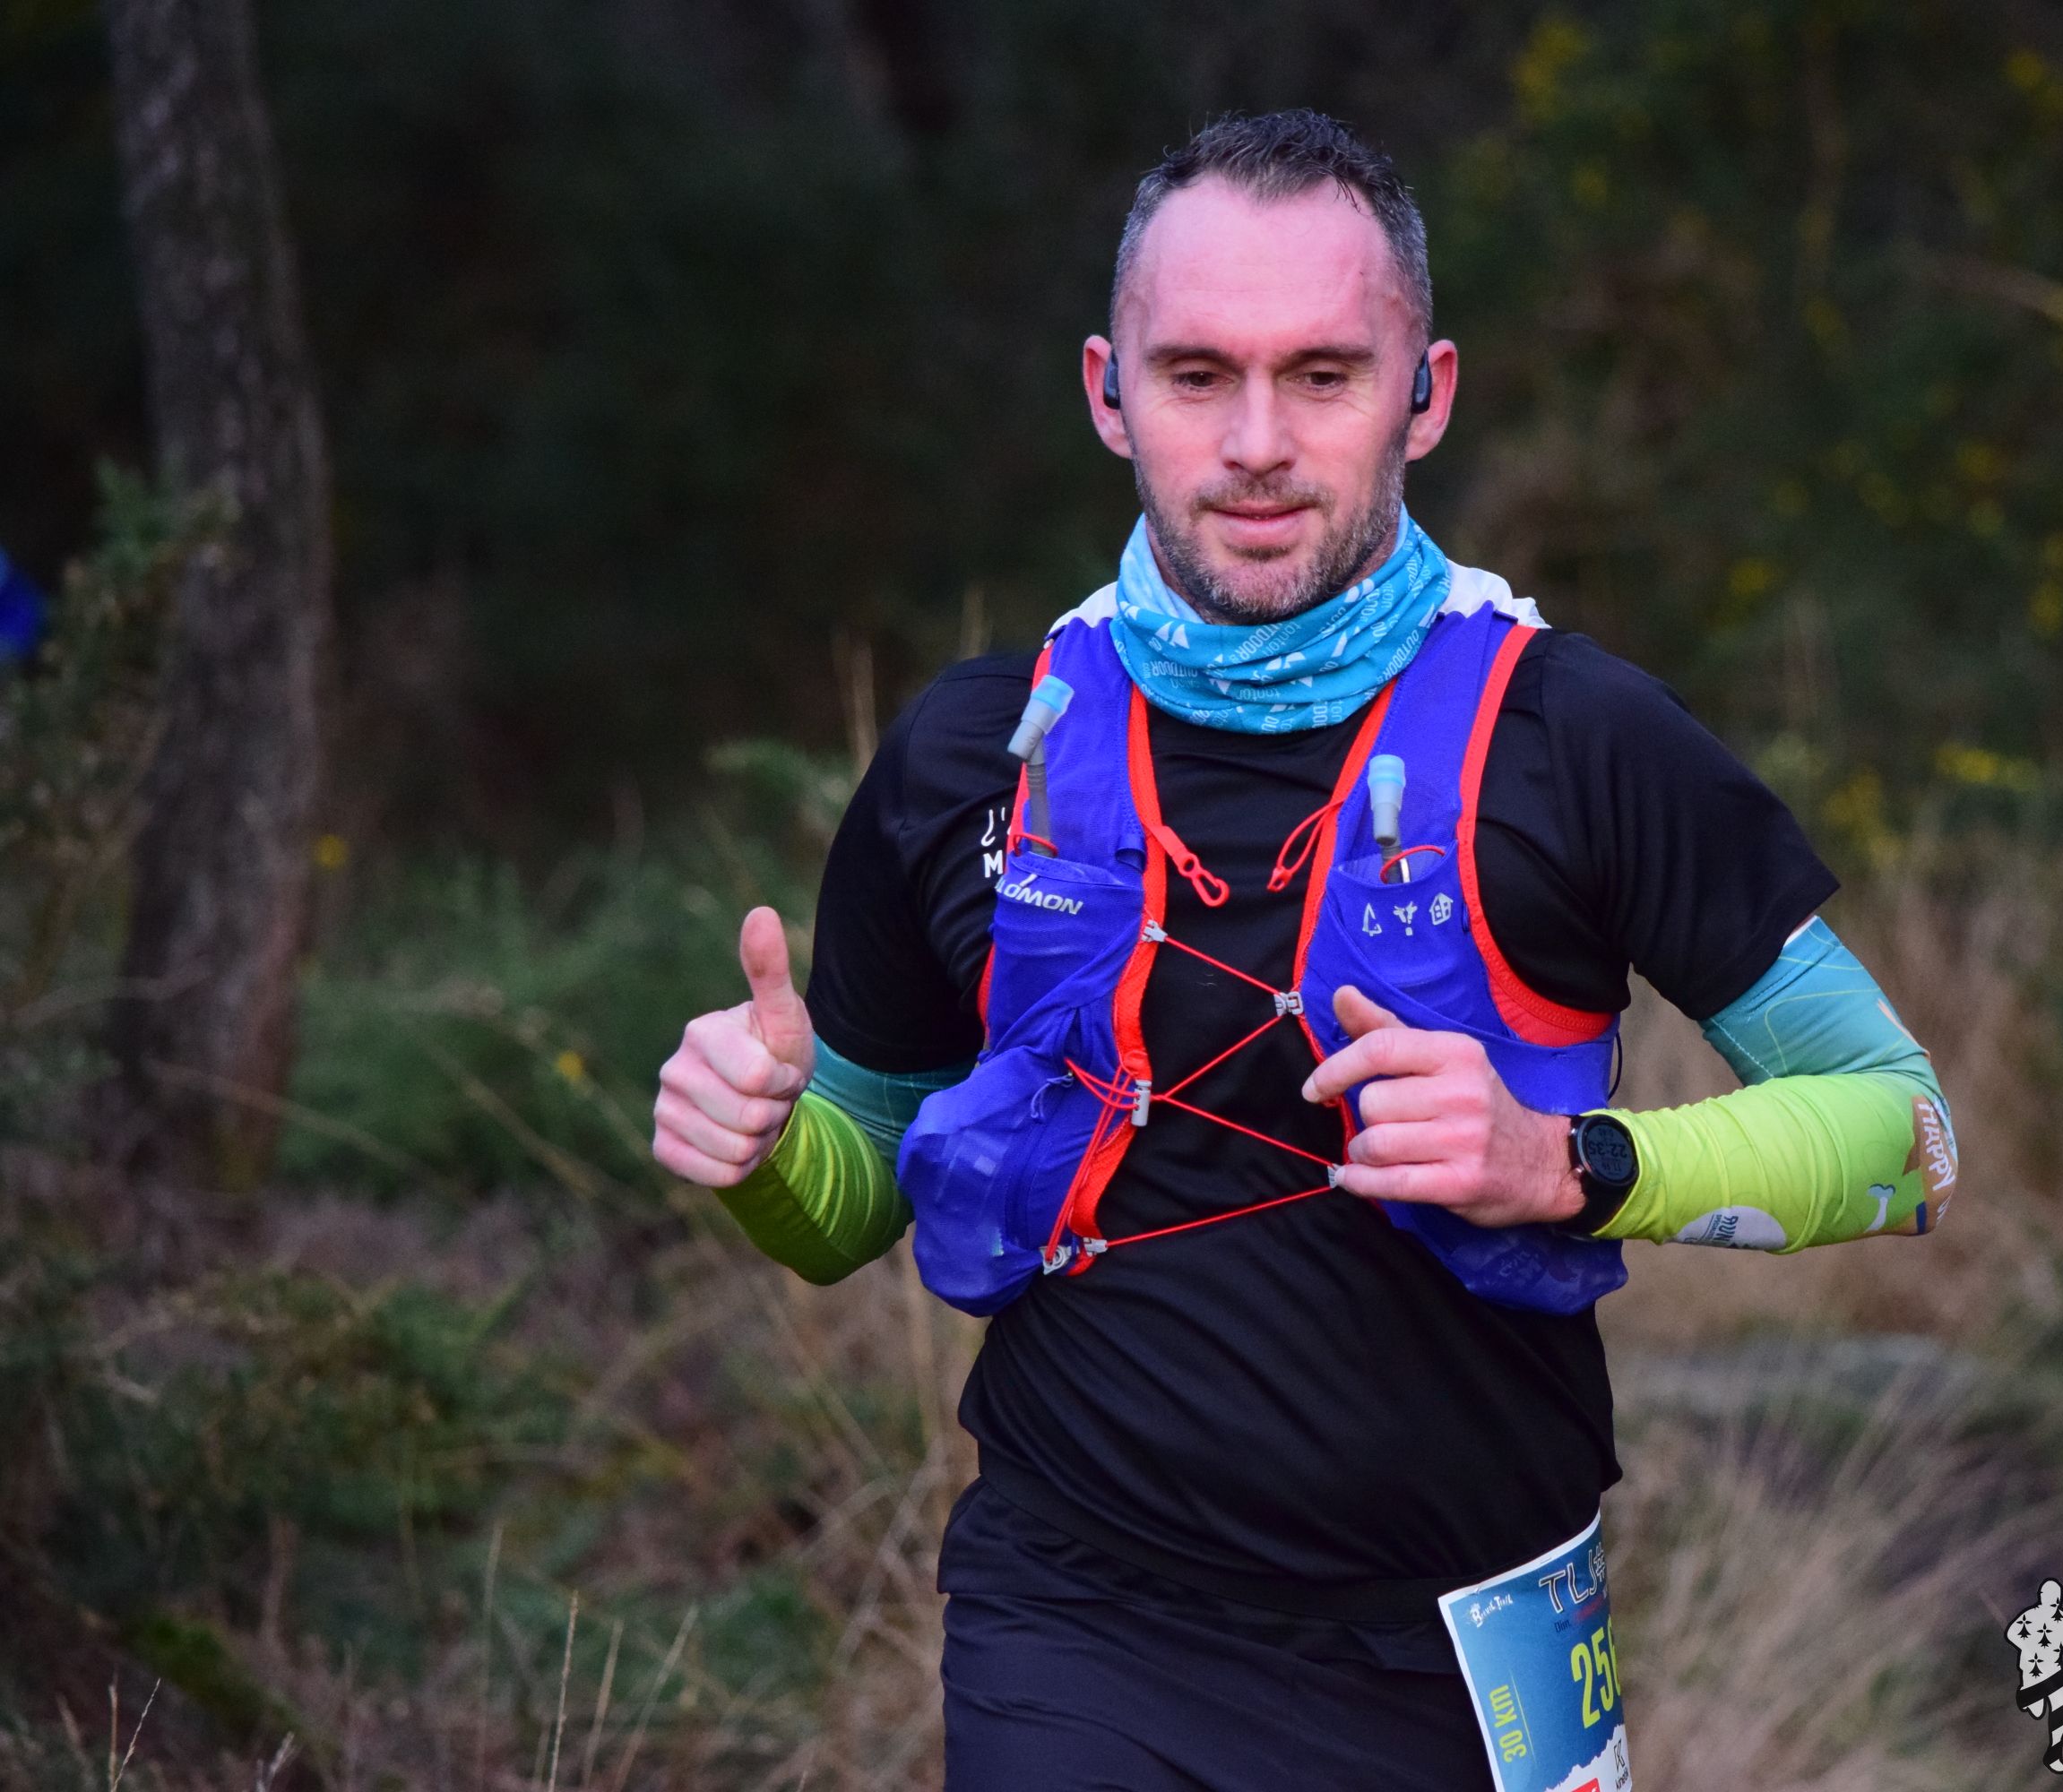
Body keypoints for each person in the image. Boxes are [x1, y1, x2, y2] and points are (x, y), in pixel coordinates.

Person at [652, 108, 1959, 1792]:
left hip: (1471, 1649)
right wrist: (763, 1148)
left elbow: (1908, 1132)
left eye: (1324, 376)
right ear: (1107, 392)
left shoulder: (1580, 740)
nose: (1256, 444)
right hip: (1073, 1616)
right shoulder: (975, 751)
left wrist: (1567, 1162)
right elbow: (844, 1211)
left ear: (1427, 393)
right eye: (1196, 376)